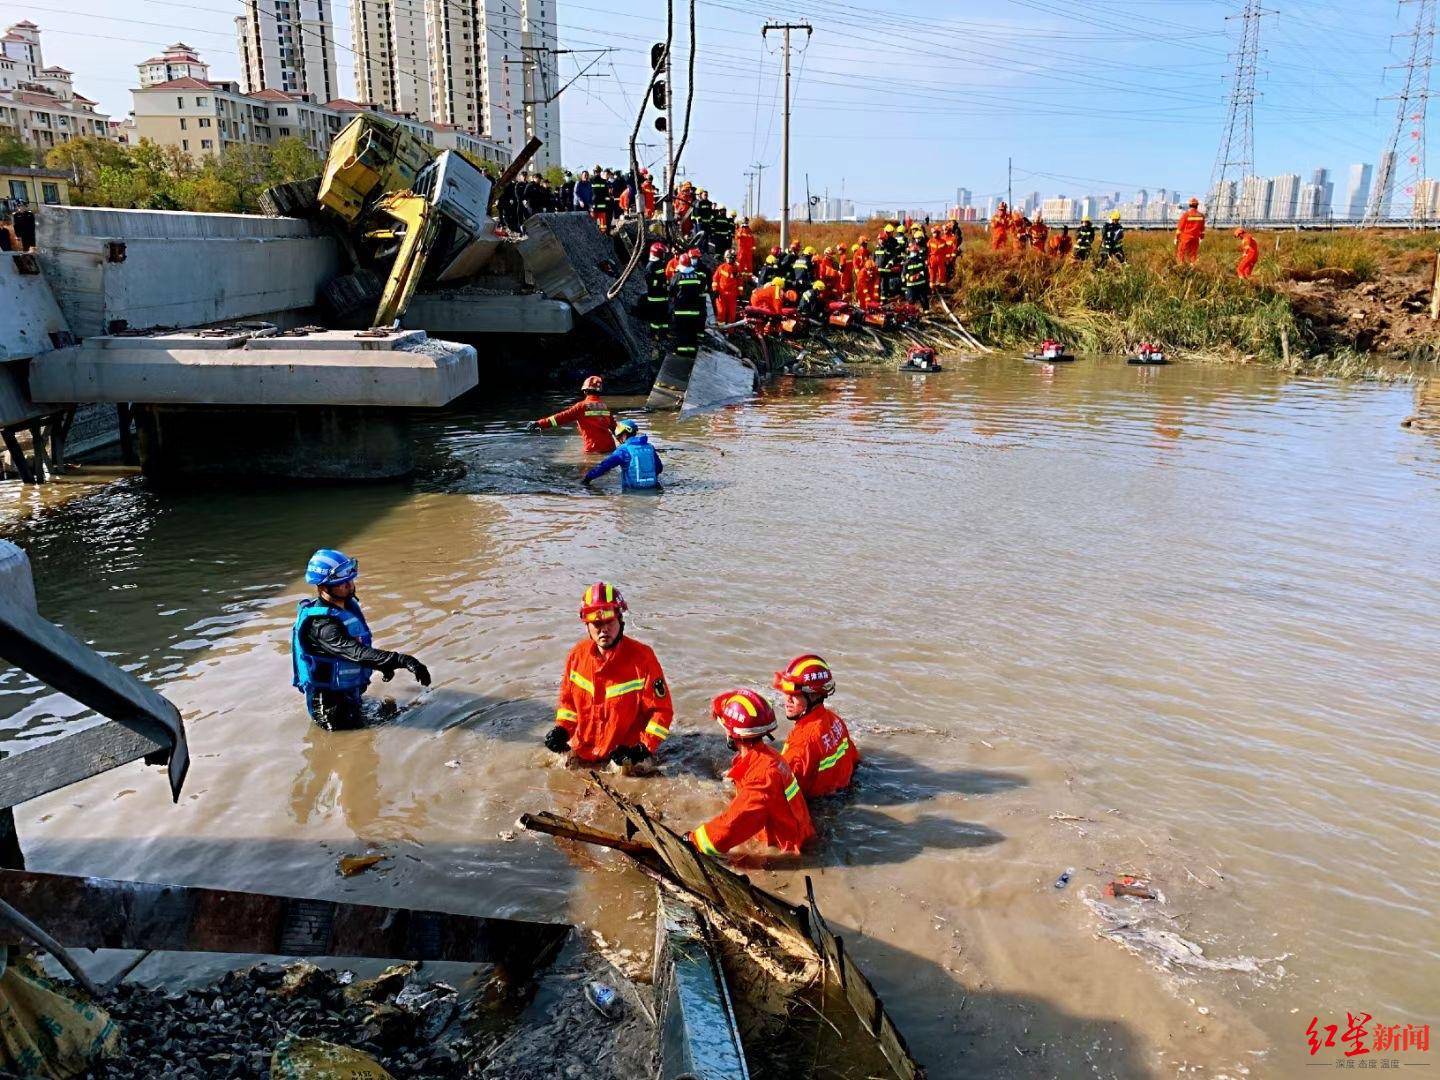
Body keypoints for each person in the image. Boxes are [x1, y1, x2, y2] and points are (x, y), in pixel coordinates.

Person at [291, 549, 431, 731]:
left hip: (349, 692)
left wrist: (381, 664)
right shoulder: (322, 626)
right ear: (323, 587)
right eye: (342, 582)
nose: (349, 584)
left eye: (350, 578)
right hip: (331, 708)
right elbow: (355, 652)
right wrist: (403, 660)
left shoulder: (345, 605)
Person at [543, 583, 673, 766]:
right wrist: (562, 729)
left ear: (620, 621)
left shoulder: (643, 658)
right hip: (584, 748)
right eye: (597, 623)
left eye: (609, 622)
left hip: (625, 755)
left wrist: (642, 749)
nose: (604, 629)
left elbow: (662, 711)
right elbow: (568, 704)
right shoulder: (576, 656)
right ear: (587, 625)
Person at [687, 689, 815, 858]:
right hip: (791, 833)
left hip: (784, 849)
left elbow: (731, 827)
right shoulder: (767, 756)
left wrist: (692, 841)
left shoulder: (763, 775)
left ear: (733, 733)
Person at [774, 655, 859, 799]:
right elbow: (854, 758)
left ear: (814, 696)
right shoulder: (834, 719)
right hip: (842, 791)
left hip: (818, 803)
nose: (787, 699)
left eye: (794, 694)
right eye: (786, 692)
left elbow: (779, 791)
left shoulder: (803, 743)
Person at [528, 375, 615, 454]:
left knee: (587, 471)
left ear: (585, 391)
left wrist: (539, 423)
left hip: (593, 449)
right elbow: (614, 427)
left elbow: (560, 418)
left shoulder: (580, 407)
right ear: (600, 391)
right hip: (610, 447)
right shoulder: (604, 407)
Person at [584, 418, 662, 491]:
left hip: (632, 493)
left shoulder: (623, 449)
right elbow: (659, 468)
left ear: (624, 435)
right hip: (653, 489)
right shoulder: (650, 447)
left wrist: (587, 478)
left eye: (619, 437)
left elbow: (604, 466)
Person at [670, 257, 706, 365]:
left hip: (681, 313)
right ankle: (692, 356)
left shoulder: (677, 277)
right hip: (694, 313)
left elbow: (671, 292)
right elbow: (702, 289)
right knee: (692, 335)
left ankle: (680, 358)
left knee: (681, 335)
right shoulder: (698, 276)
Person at [644, 242, 671, 334]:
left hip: (663, 296)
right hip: (655, 298)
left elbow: (664, 276)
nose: (663, 255)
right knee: (656, 317)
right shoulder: (650, 266)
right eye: (662, 253)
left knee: (664, 316)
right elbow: (650, 281)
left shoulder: (661, 263)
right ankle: (654, 334)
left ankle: (664, 333)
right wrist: (661, 284)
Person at [711, 249, 742, 325]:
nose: (729, 259)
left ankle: (730, 332)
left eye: (731, 258)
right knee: (721, 312)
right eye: (728, 258)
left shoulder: (737, 269)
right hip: (721, 294)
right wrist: (715, 290)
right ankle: (721, 330)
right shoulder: (721, 267)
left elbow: (740, 283)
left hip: (732, 295)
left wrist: (740, 294)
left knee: (732, 314)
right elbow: (715, 279)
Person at [1175, 197, 1206, 265]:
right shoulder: (1201, 216)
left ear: (1189, 205)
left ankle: (1181, 268)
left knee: (1181, 254)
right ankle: (1192, 269)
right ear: (1197, 206)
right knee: (1193, 255)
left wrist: (1176, 238)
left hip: (1185, 238)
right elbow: (1202, 230)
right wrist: (1201, 237)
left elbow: (1180, 228)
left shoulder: (1186, 215)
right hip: (1195, 239)